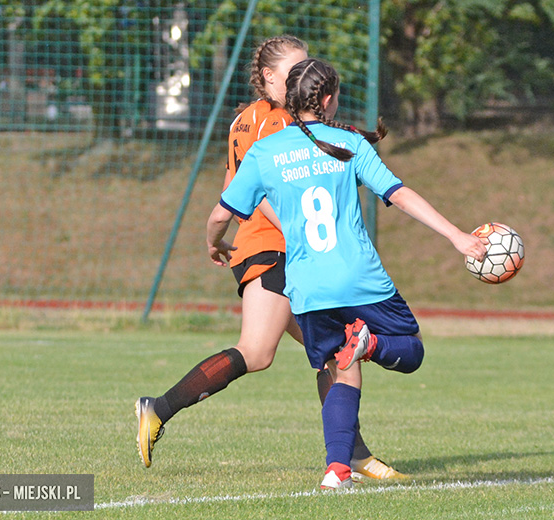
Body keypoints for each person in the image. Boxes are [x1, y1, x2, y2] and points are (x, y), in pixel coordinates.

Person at [206, 57, 488, 489]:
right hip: (358, 278)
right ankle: (370, 342)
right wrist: (456, 236)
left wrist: (214, 242)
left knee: (341, 364)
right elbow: (400, 193)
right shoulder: (349, 143)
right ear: (328, 99)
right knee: (410, 350)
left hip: (307, 288)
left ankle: (337, 470)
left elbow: (221, 214)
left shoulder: (266, 152)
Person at [136, 36, 404, 481]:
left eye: (307, 70)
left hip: (272, 247)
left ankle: (351, 454)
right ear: (267, 78)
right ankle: (157, 409)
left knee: (336, 349)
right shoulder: (274, 124)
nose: (302, 79)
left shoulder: (248, 119)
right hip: (272, 248)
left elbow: (232, 181)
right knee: (260, 351)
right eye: (292, 72)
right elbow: (256, 194)